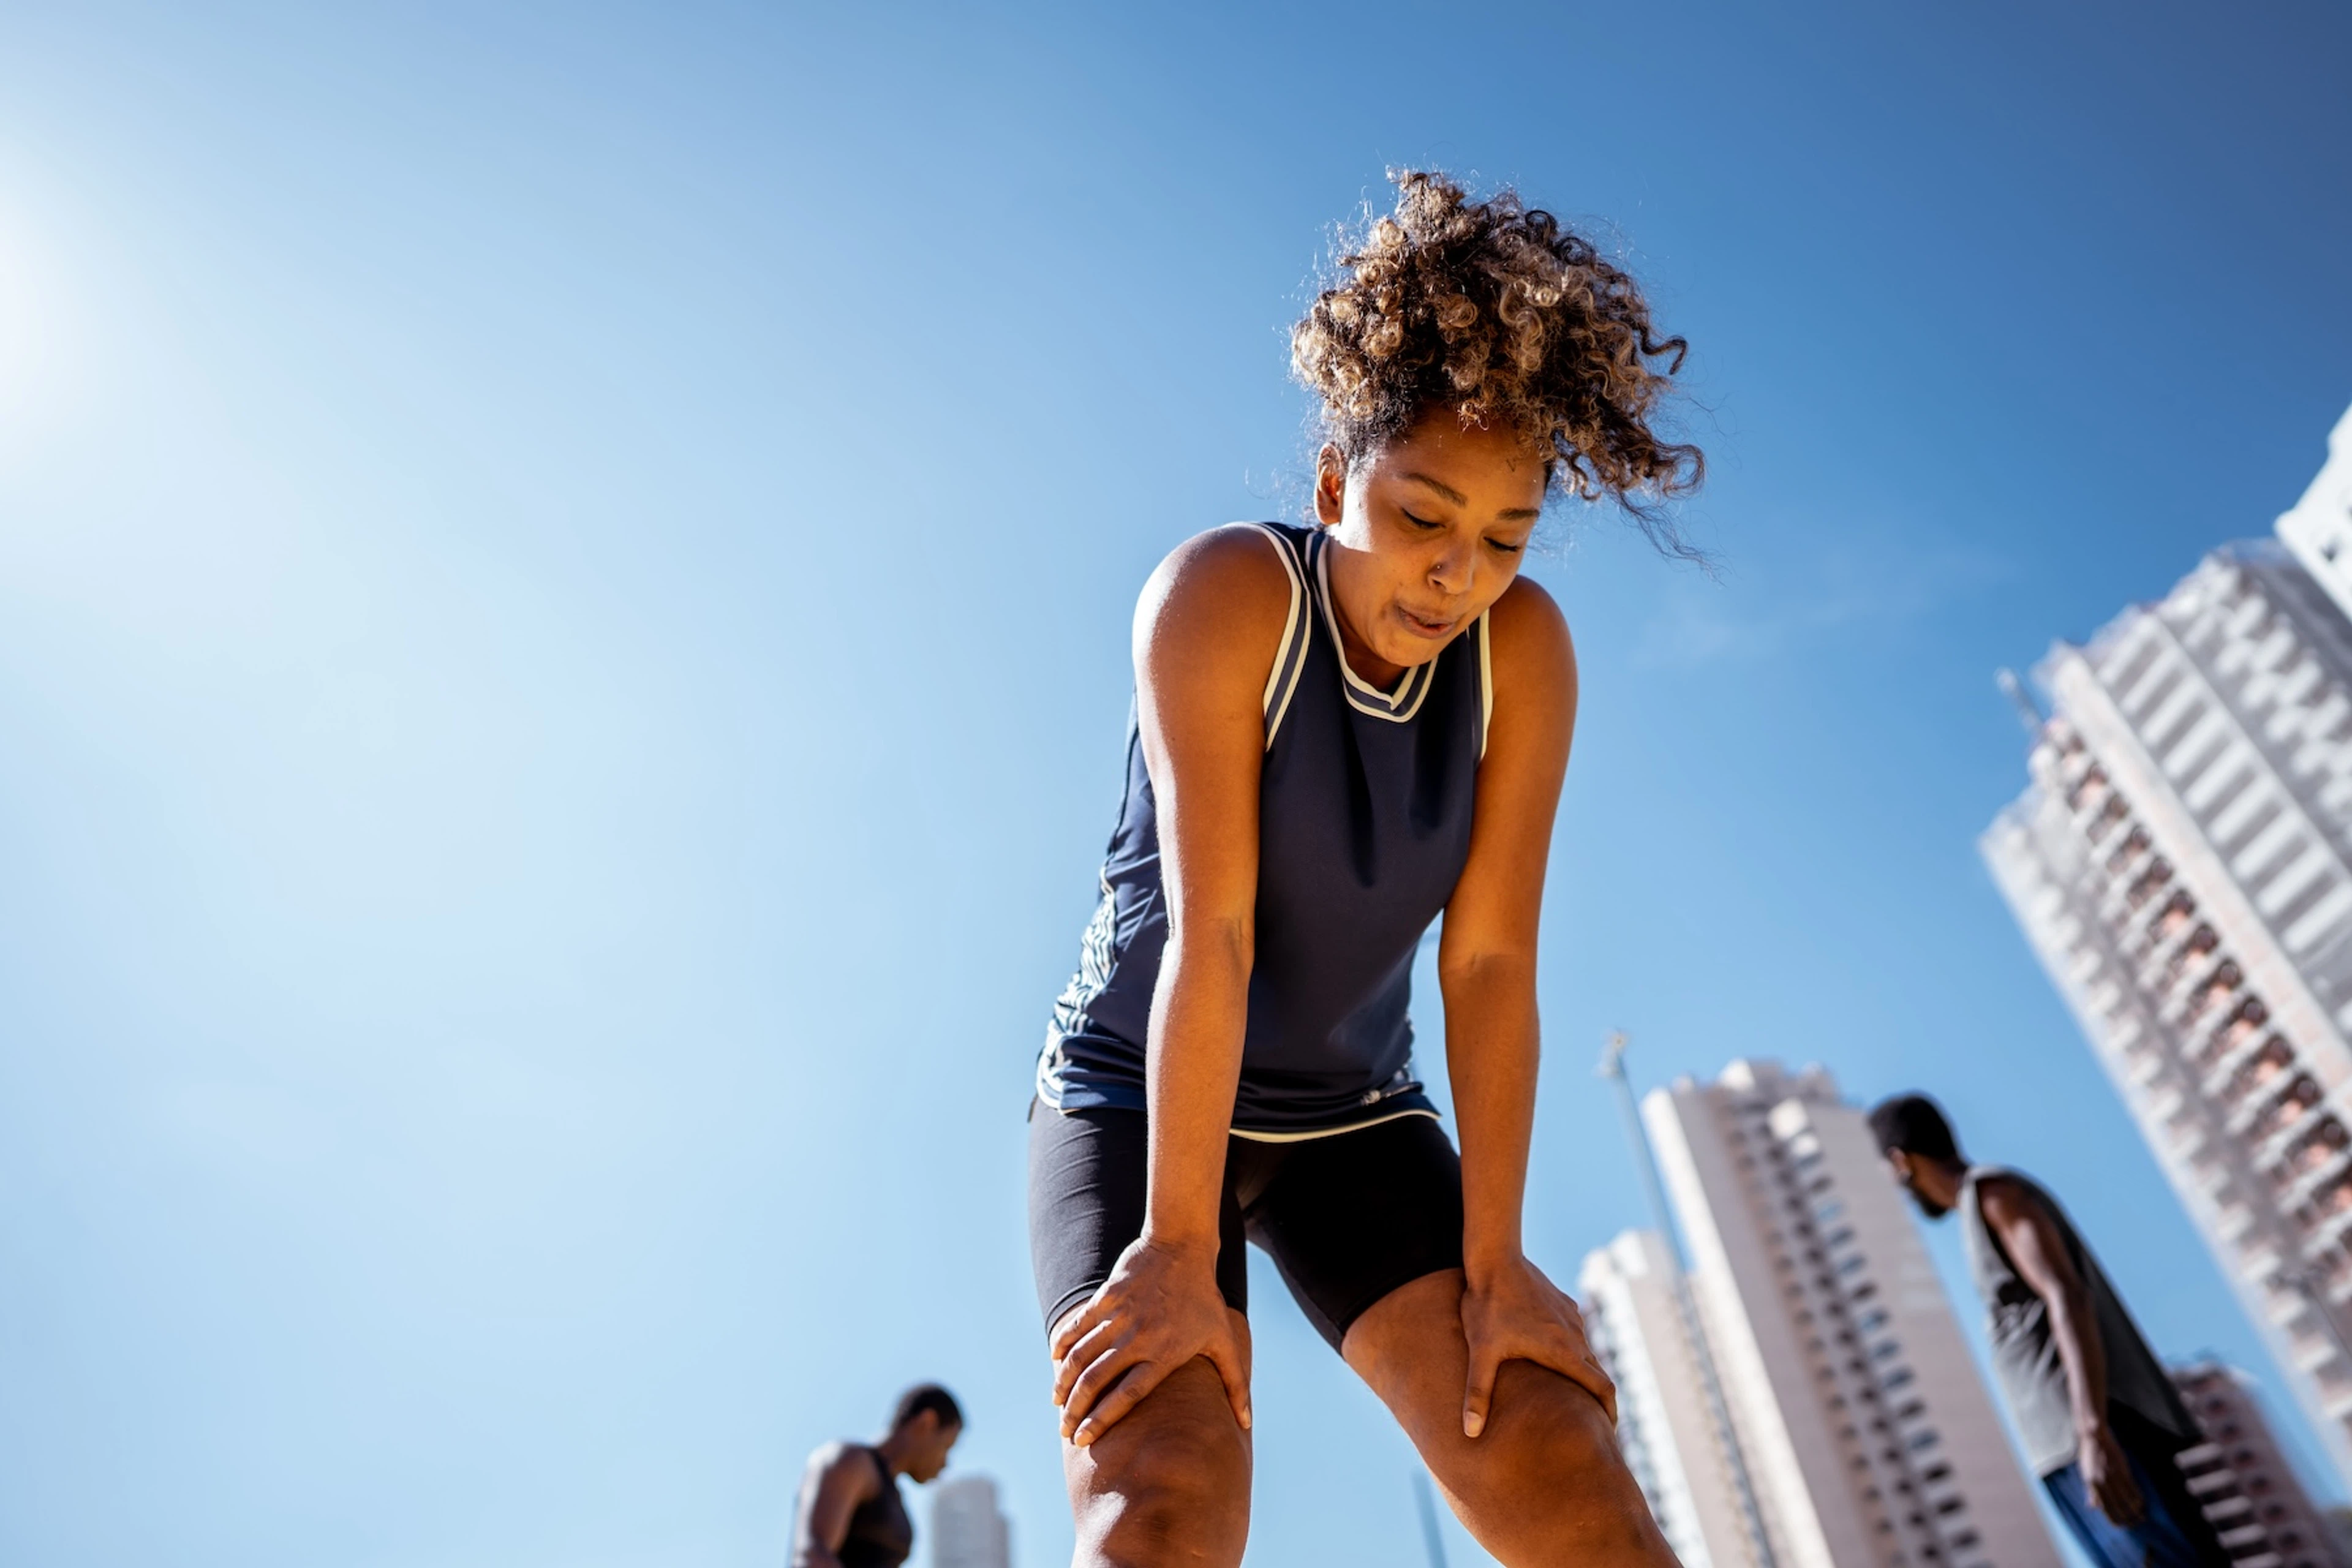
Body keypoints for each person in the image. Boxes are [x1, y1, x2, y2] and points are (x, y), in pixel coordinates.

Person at [1027, 170, 1702, 1567]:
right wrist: (1173, 1247)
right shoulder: (1224, 597)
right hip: (1140, 1088)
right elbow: (1213, 932)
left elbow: (1491, 957)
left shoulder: (1523, 655)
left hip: (1352, 1118)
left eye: (1504, 539)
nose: (1458, 575)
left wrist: (1498, 1262)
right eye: (1423, 516)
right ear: (1337, 483)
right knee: (1163, 1496)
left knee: (1566, 1472)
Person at [1868, 1094, 2231, 1568]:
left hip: (2098, 1442)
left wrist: (2092, 1433)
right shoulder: (1975, 1213)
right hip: (2064, 1456)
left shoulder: (1994, 1193)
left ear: (1901, 1162)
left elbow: (2067, 1295)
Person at [789, 1384, 963, 1568]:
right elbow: (811, 1557)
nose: (945, 1464)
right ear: (927, 1423)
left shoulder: (894, 1496)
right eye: (946, 1446)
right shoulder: (851, 1461)